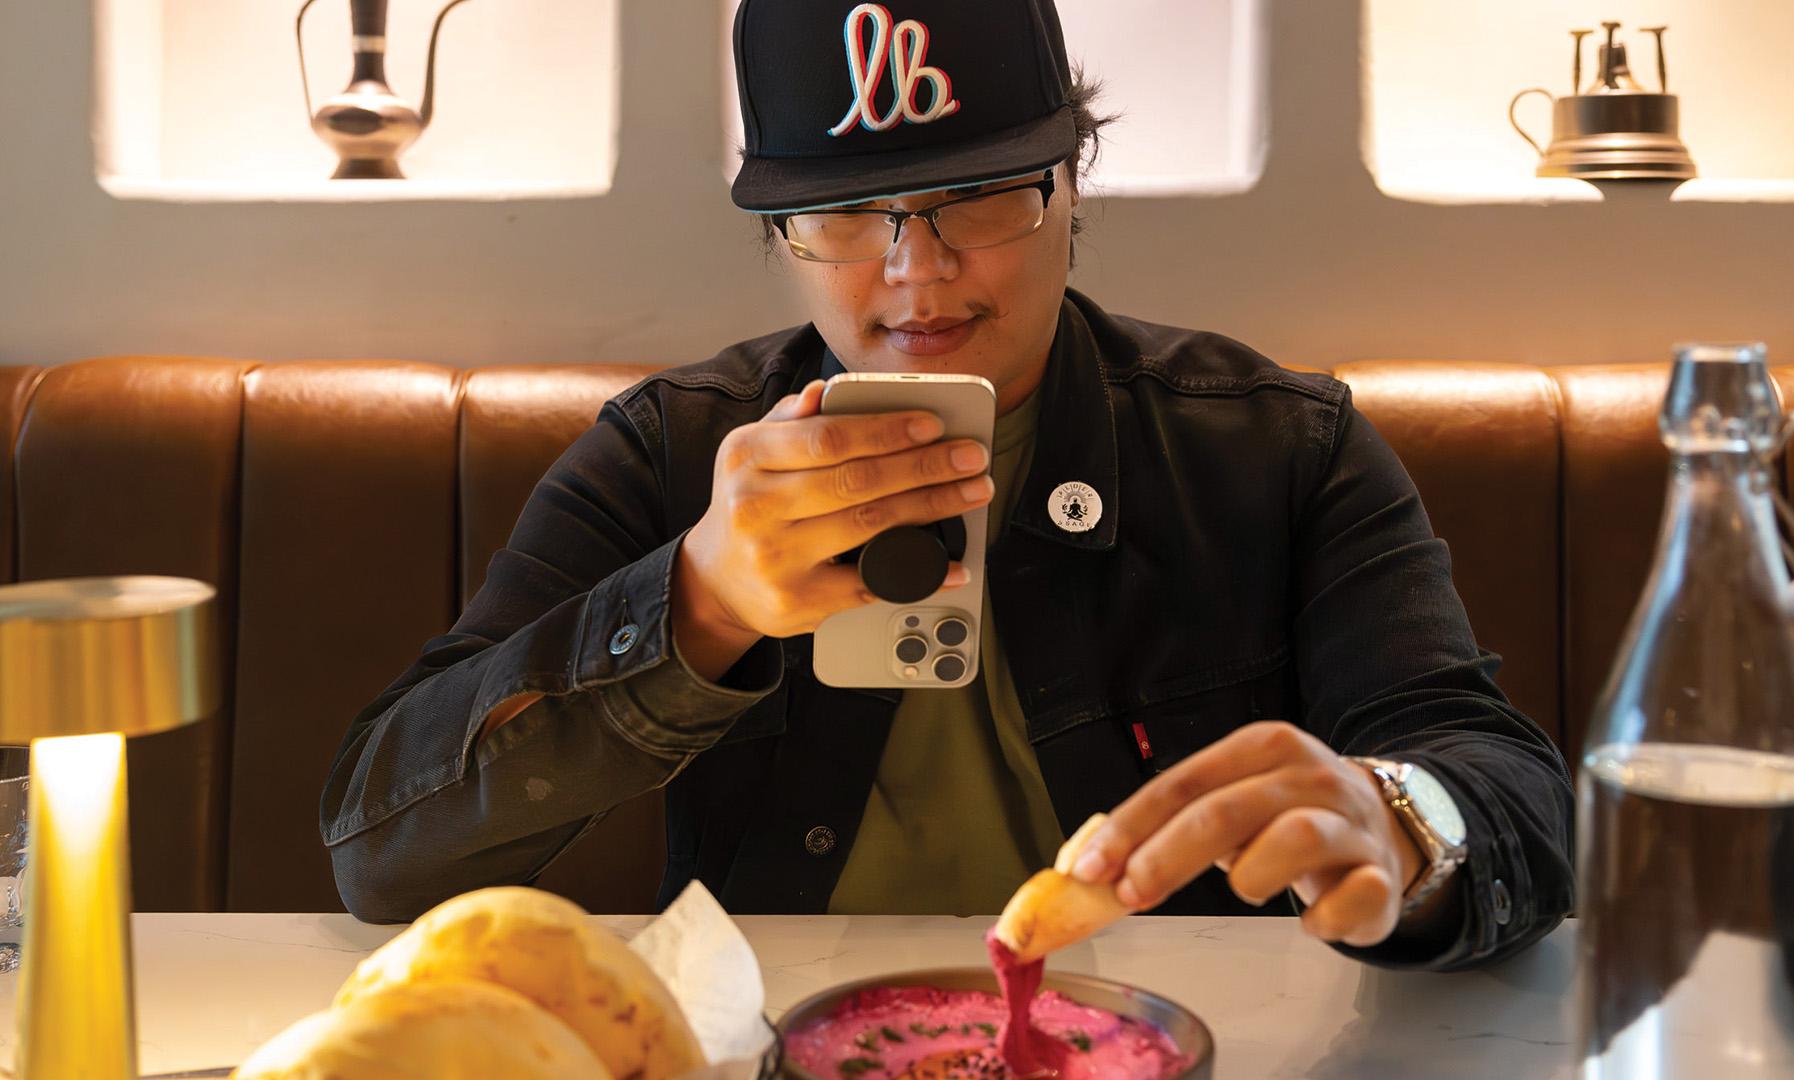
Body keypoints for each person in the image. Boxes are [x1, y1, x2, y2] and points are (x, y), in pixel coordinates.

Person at [321, 0, 1573, 970]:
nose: (917, 276)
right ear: (783, 239)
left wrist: (1401, 819)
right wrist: (697, 604)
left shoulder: (1275, 451)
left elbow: (1502, 781)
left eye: (977, 198)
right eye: (848, 215)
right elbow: (383, 850)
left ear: (1074, 185)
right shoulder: (673, 455)